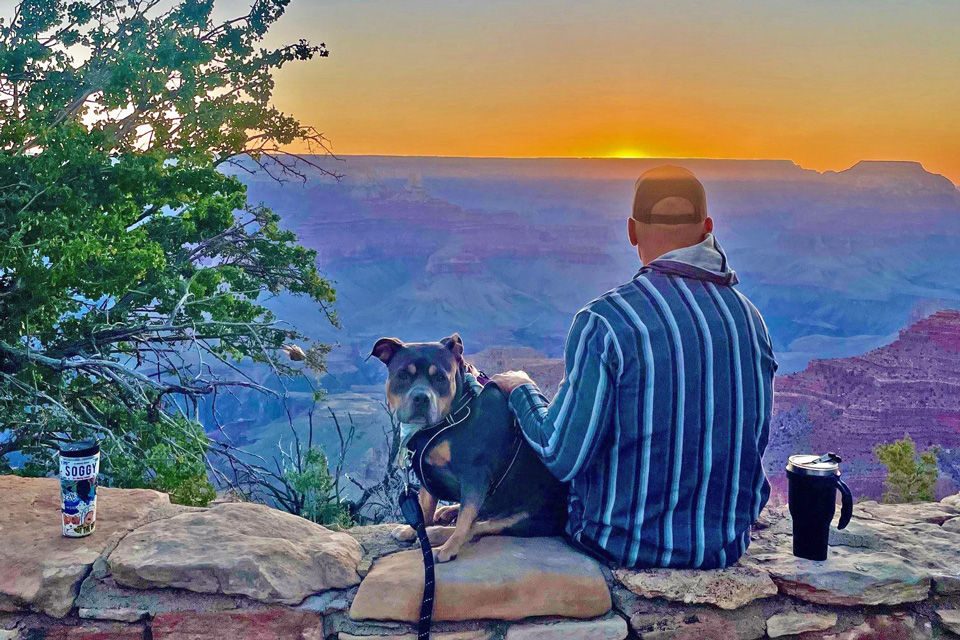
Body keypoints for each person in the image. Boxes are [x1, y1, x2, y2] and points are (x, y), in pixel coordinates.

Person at [490, 165, 777, 569]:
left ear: (632, 231)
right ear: (707, 226)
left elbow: (562, 457)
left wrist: (520, 389)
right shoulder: (749, 319)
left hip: (620, 546)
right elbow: (755, 438)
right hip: (724, 549)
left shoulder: (607, 320)